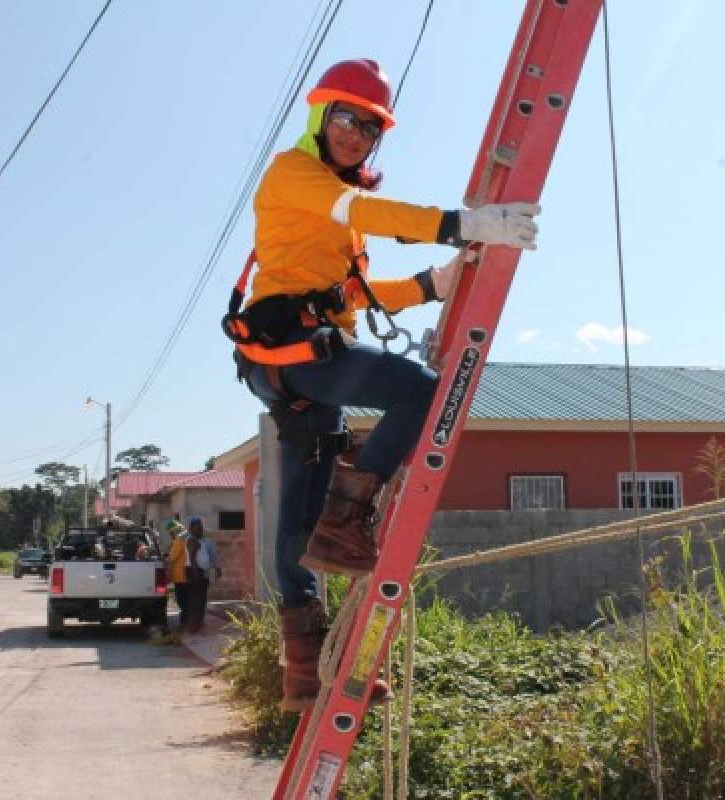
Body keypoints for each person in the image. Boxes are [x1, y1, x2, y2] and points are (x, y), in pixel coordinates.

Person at [228, 58, 539, 710]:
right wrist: (465, 223)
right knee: (422, 391)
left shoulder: (337, 219)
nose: (354, 135)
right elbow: (362, 207)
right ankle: (350, 514)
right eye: (345, 119)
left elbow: (357, 297)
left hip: (300, 372)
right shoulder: (297, 174)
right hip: (290, 355)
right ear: (321, 116)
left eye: (368, 129)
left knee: (297, 530)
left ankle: (303, 677)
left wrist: (434, 285)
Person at [184, 518, 219, 633]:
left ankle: (199, 624)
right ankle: (194, 626)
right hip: (195, 573)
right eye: (198, 527)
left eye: (201, 527)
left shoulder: (205, 541)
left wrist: (216, 568)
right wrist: (196, 575)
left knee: (202, 599)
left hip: (202, 573)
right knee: (196, 600)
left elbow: (212, 556)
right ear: (191, 529)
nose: (200, 529)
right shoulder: (191, 541)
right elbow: (193, 560)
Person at [163, 520, 190, 630]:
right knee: (185, 600)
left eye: (170, 532)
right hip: (184, 575)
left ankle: (185, 624)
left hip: (181, 577)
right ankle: (187, 623)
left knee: (182, 601)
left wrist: (165, 559)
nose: (170, 535)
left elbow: (172, 558)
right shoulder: (184, 540)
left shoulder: (178, 541)